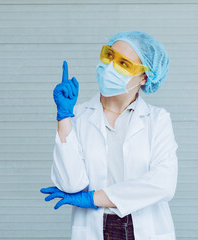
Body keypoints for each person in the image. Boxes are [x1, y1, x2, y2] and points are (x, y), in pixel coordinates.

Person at [40, 31, 178, 240]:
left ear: (144, 77)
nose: (111, 67)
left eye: (124, 64)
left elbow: (163, 184)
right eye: (110, 56)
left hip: (144, 227)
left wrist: (93, 198)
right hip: (95, 228)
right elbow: (70, 185)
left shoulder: (157, 120)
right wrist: (64, 117)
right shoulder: (78, 116)